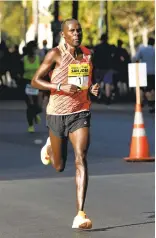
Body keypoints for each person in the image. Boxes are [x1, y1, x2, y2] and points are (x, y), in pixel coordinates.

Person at [31, 18, 99, 229]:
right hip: (57, 114)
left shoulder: (88, 54)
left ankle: (80, 213)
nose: (77, 34)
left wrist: (92, 89)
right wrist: (59, 86)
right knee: (59, 166)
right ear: (64, 34)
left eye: (79, 30)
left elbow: (87, 80)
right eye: (73, 31)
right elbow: (35, 81)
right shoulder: (55, 54)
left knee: (81, 157)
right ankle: (51, 146)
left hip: (80, 112)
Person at [22, 41, 42, 132]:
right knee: (30, 105)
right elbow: (19, 71)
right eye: (35, 48)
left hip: (36, 83)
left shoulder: (39, 59)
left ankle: (35, 114)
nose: (36, 50)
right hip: (27, 83)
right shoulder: (23, 60)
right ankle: (30, 126)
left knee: (38, 106)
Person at [134, 37, 155, 113]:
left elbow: (136, 58)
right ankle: (152, 104)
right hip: (153, 72)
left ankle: (142, 102)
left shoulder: (142, 50)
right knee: (152, 88)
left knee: (143, 88)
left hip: (143, 71)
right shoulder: (154, 50)